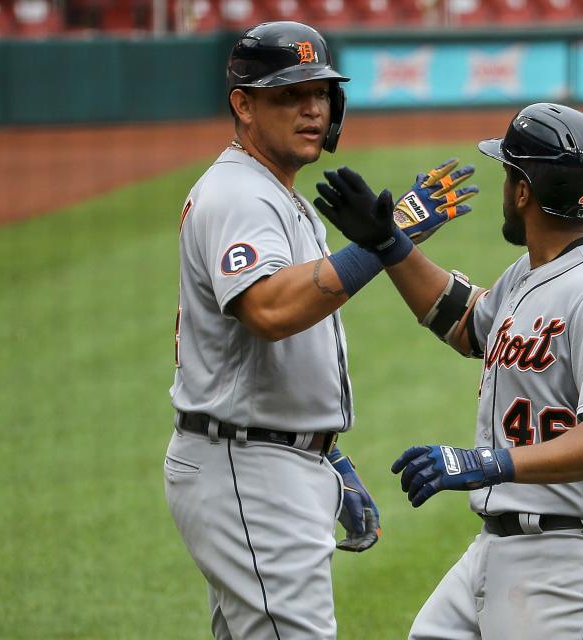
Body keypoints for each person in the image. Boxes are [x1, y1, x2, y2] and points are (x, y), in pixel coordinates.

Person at [163, 21, 477, 640]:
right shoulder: (239, 197)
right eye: (289, 95)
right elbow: (271, 311)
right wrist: (390, 241)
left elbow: (271, 356)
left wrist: (327, 453)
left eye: (322, 93)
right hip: (247, 469)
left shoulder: (282, 198)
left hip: (262, 457)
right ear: (243, 105)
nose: (313, 109)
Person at [314, 103, 583, 639]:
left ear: (523, 192)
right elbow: (467, 323)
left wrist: (491, 462)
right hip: (498, 550)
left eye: (506, 174)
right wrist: (388, 245)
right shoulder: (533, 272)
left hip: (565, 562)